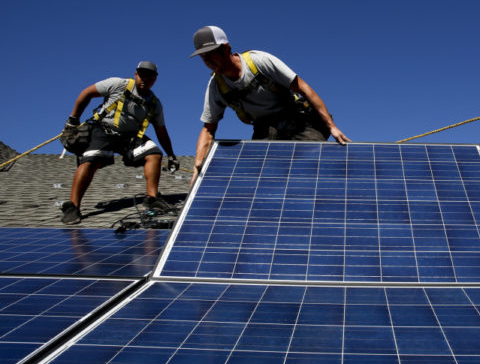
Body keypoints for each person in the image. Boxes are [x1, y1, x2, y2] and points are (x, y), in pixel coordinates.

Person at [189, 25, 350, 181]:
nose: (207, 61)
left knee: (312, 163)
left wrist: (331, 126)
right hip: (265, 129)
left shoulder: (258, 61)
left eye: (210, 54)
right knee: (264, 177)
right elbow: (209, 129)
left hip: (296, 119)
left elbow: (304, 88)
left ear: (225, 48)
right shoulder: (216, 86)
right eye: (203, 57)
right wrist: (198, 163)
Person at [60, 61, 179, 225]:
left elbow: (161, 131)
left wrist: (171, 155)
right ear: (136, 74)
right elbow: (86, 93)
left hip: (129, 139)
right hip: (103, 131)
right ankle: (73, 207)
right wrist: (73, 119)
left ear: (155, 79)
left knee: (154, 154)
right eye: (142, 75)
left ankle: (152, 198)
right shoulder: (118, 85)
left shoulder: (154, 103)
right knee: (91, 160)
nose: (145, 79)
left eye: (150, 77)